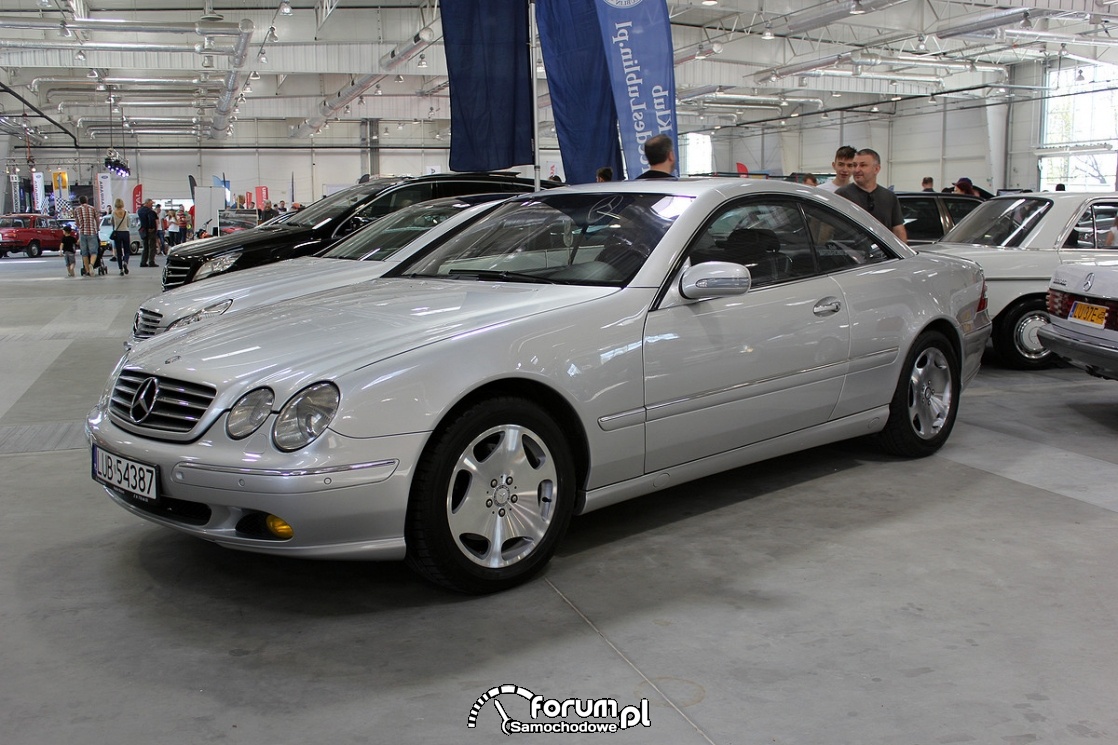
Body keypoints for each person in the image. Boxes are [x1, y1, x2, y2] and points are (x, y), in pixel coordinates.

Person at [836, 148, 908, 243]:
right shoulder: (842, 195)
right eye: (854, 165)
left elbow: (898, 231)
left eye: (863, 165)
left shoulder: (889, 197)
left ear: (876, 169)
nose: (857, 169)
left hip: (884, 255)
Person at [73, 195, 100, 277]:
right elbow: (97, 220)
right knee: (94, 251)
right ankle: (91, 264)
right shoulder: (92, 208)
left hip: (82, 233)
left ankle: (87, 271)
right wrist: (97, 228)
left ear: (79, 202)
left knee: (84, 253)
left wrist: (80, 227)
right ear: (87, 200)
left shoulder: (76, 210)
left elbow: (76, 222)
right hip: (92, 232)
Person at [110, 197, 131, 275]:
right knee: (127, 251)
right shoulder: (126, 212)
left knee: (119, 252)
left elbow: (112, 223)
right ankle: (125, 262)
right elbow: (128, 223)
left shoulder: (113, 213)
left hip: (117, 233)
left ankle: (121, 270)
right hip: (125, 232)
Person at [136, 198, 159, 267]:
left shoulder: (140, 210)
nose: (152, 205)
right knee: (152, 246)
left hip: (143, 230)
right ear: (147, 203)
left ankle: (143, 262)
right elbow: (151, 220)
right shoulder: (150, 211)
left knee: (145, 246)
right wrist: (151, 228)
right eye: (151, 203)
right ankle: (151, 261)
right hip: (150, 231)